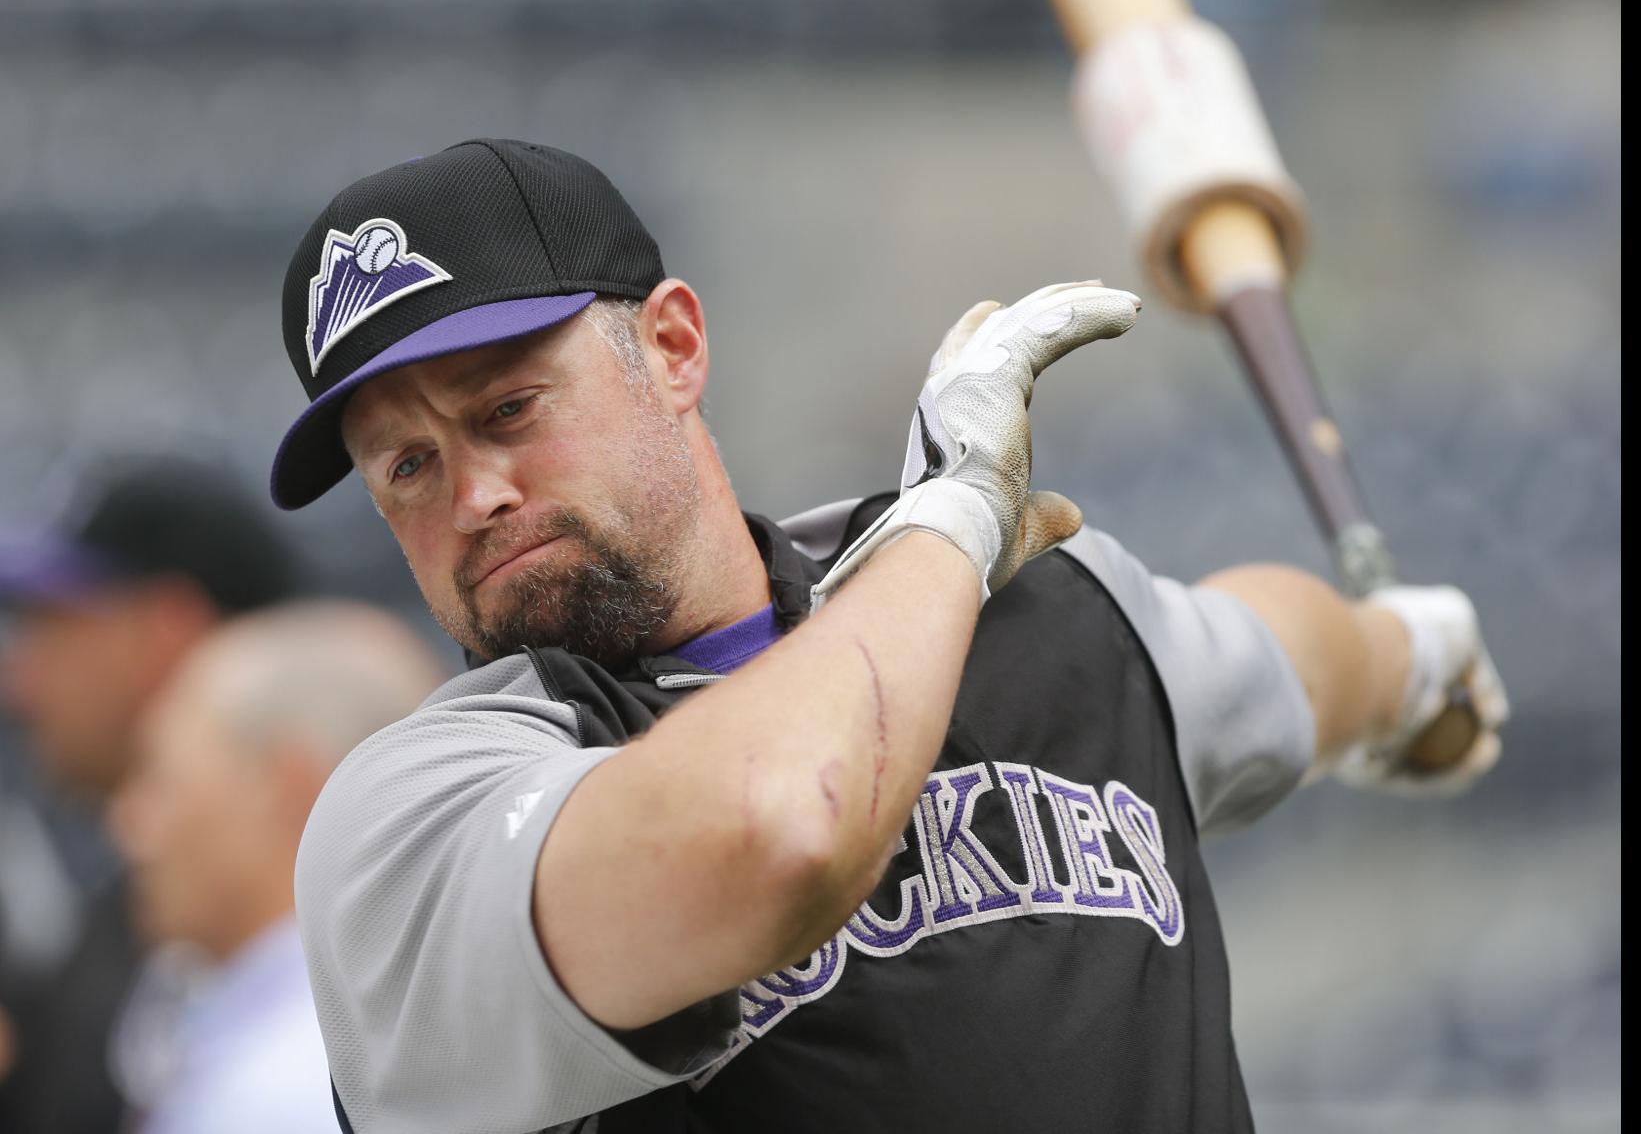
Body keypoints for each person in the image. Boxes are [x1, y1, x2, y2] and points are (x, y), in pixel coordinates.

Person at [272, 139, 1508, 1132]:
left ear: (672, 346)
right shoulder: (416, 817)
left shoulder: (1044, 610)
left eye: (510, 407)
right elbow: (782, 822)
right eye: (410, 466)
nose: (475, 495)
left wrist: (1408, 658)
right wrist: (956, 518)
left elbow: (1277, 649)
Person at [0, 458, 297, 1134]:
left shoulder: (338, 899)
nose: (16, 681)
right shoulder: (121, 907)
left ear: (169, 632)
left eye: (50, 626)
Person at [106, 600, 446, 1134]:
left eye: (162, 781)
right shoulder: (405, 1033)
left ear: (288, 785)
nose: (129, 825)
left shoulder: (291, 1087)